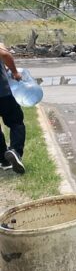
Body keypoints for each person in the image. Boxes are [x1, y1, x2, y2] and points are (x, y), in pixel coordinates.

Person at [0, 45, 25, 174]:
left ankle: (4, 160)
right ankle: (15, 152)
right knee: (16, 123)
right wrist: (14, 72)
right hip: (3, 93)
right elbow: (4, 54)